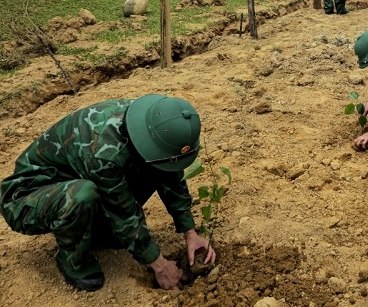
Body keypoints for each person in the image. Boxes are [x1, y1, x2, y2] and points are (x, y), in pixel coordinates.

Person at [0, 95, 216, 292]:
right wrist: (159, 265)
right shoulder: (104, 152)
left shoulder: (154, 125)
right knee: (82, 195)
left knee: (155, 166)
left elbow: (169, 169)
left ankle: (97, 230)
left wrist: (191, 233)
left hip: (79, 177)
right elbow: (122, 212)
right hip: (27, 197)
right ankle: (73, 261)